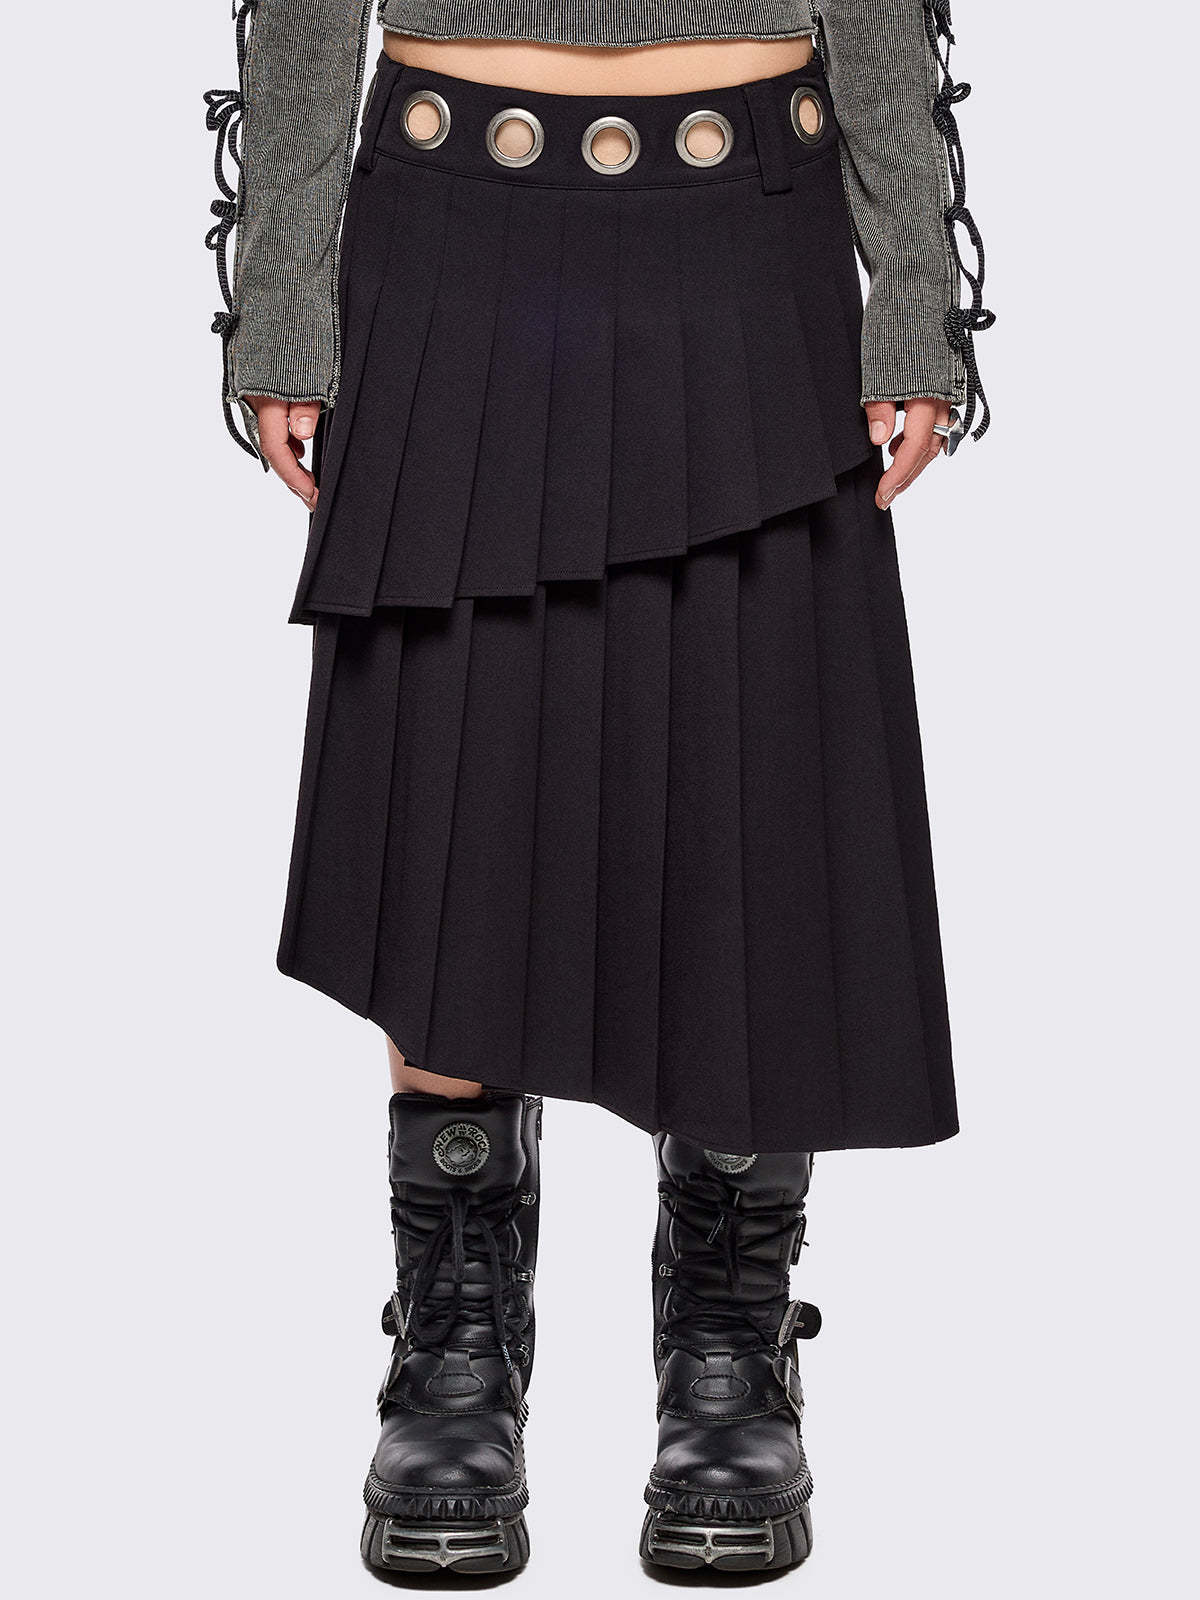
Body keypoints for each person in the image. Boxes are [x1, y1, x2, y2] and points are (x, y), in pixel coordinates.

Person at [203, 0, 992, 1577]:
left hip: (752, 206)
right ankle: (457, 1345)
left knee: (751, 792)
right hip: (454, 206)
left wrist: (914, 277)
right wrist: (281, 286)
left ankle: (727, 1339)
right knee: (451, 794)